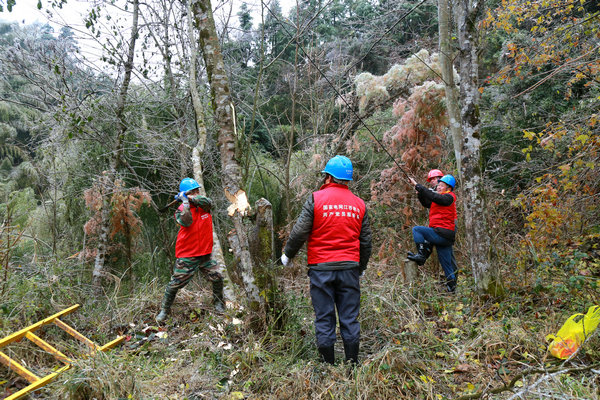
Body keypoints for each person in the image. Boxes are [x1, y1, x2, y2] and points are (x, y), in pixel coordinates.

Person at [281, 155, 372, 365]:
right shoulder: (359, 204)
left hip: (321, 268)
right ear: (347, 179)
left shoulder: (315, 199)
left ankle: (327, 365)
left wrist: (288, 254)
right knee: (349, 317)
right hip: (350, 268)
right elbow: (366, 241)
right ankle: (352, 364)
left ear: (329, 177)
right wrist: (362, 266)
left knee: (324, 317)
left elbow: (299, 232)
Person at [156, 178, 225, 323]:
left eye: (197, 190)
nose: (196, 193)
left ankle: (218, 303)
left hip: (205, 252)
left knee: (217, 277)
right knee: (176, 283)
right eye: (193, 191)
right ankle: (164, 310)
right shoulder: (181, 210)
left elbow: (208, 202)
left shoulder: (204, 205)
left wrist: (191, 197)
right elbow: (186, 221)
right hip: (188, 254)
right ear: (185, 193)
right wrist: (185, 202)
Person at [407, 174, 458, 292]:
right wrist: (420, 194)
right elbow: (427, 203)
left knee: (417, 230)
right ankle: (452, 288)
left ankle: (421, 254)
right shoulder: (439, 199)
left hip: (443, 233)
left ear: (448, 188)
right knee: (446, 264)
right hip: (443, 236)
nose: (438, 187)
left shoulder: (449, 197)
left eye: (441, 185)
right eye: (438, 185)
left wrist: (418, 186)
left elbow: (433, 197)